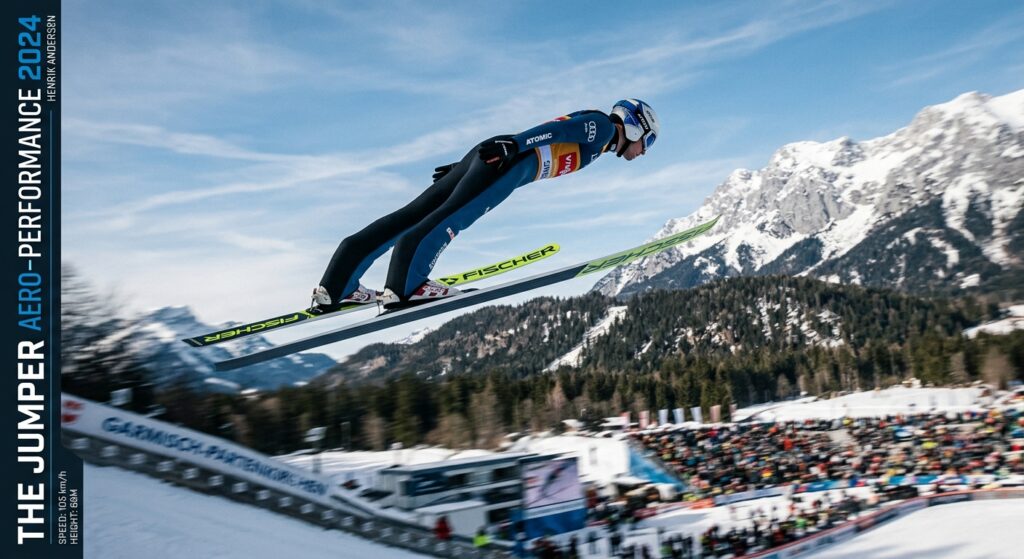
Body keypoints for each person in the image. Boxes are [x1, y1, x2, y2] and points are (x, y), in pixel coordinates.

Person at [309, 99, 660, 312]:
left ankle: (338, 285)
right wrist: (514, 146)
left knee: (413, 214)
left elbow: (552, 134)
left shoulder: (601, 137)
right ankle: (406, 286)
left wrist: (465, 167)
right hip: (508, 162)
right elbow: (554, 133)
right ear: (634, 126)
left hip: (496, 155)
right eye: (648, 141)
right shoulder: (602, 127)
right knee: (454, 216)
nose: (644, 151)